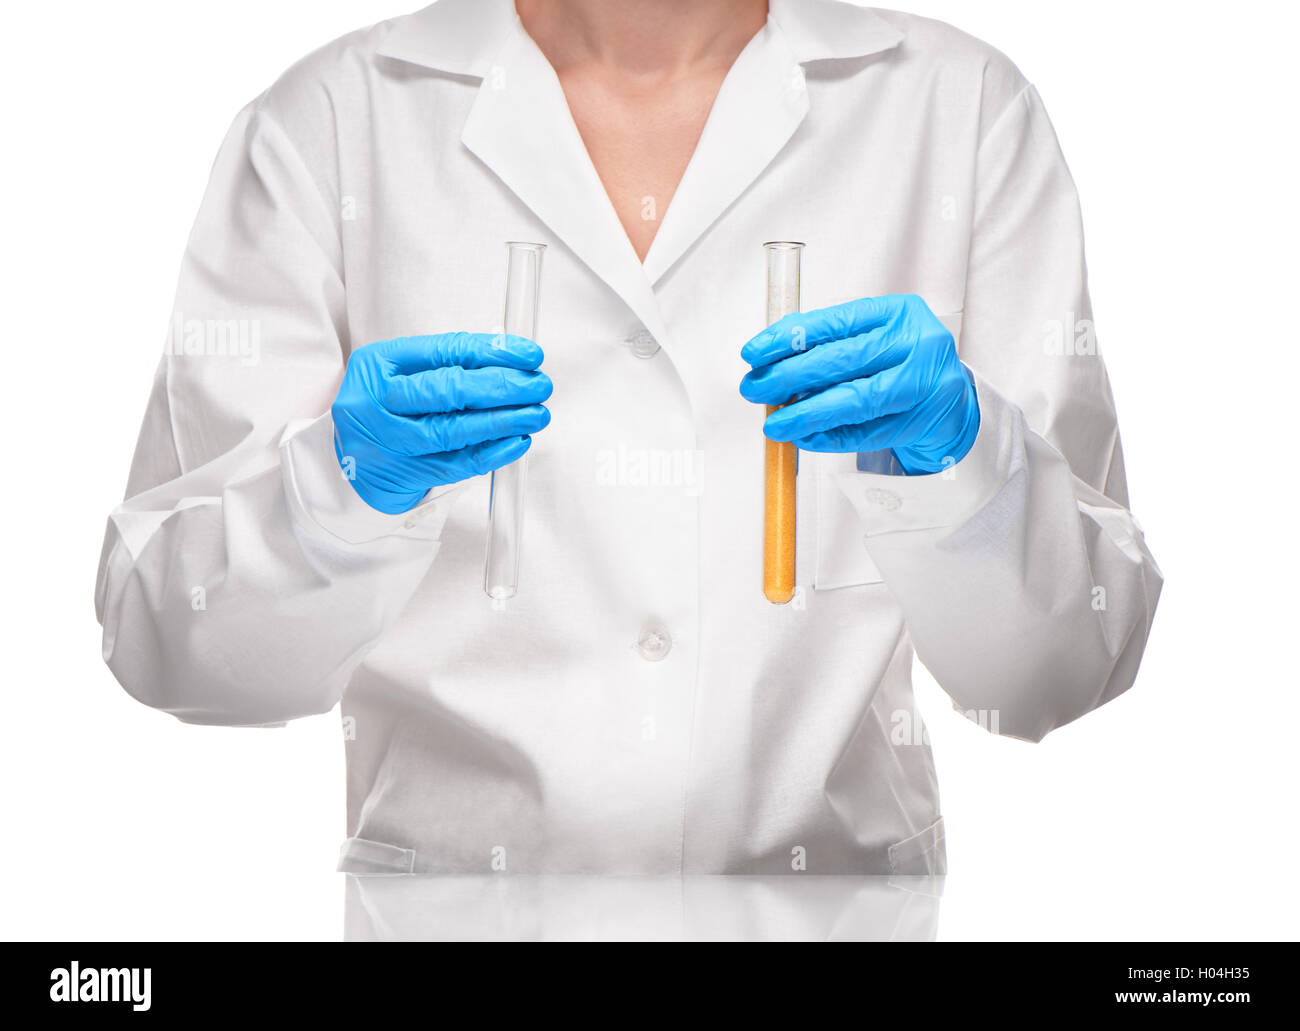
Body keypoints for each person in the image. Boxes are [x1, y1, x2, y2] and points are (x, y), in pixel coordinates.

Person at [95, 0, 1161, 874]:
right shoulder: (326, 124)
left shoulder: (962, 110)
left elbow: (1058, 672)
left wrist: (964, 467)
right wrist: (336, 493)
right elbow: (175, 650)